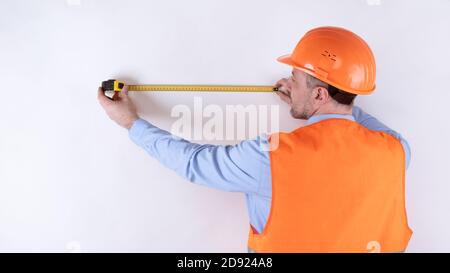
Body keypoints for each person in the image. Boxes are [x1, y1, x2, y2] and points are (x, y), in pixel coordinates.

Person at [98, 26, 412, 253]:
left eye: (296, 78)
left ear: (319, 93)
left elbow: (194, 162)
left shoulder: (271, 156)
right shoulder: (397, 149)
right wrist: (311, 104)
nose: (289, 82)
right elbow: (351, 115)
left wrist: (131, 123)